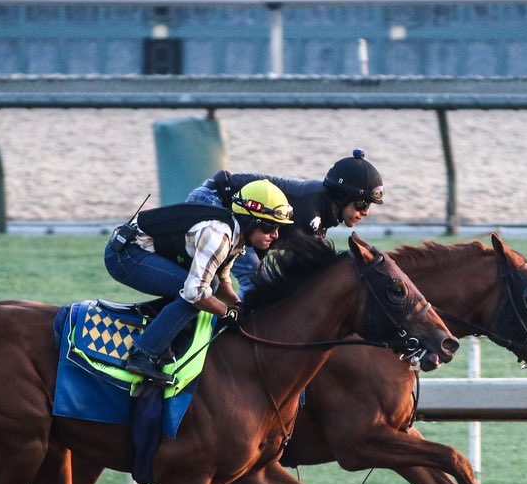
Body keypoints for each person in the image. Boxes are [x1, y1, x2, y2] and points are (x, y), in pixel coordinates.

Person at [105, 179, 294, 385]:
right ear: (250, 221)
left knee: (208, 286)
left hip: (137, 250)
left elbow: (221, 280)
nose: (275, 235)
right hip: (125, 257)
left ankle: (165, 331)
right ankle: (143, 354)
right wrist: (226, 312)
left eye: (279, 228)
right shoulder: (218, 236)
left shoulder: (236, 236)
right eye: (270, 226)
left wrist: (238, 305)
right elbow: (195, 293)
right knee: (195, 295)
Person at [187, 149, 384, 293]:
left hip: (225, 205)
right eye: (361, 204)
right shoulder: (311, 215)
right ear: (341, 196)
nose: (365, 212)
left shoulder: (319, 211)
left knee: (241, 282)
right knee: (255, 280)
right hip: (214, 202)